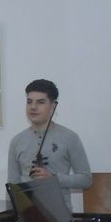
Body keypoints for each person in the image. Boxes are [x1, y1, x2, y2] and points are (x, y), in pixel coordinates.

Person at [7, 79, 91, 211]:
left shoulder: (69, 137)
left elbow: (86, 179)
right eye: (29, 102)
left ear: (53, 106)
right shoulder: (16, 141)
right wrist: (10, 215)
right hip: (27, 214)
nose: (33, 107)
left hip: (60, 214)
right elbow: (12, 184)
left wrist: (55, 179)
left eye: (40, 102)